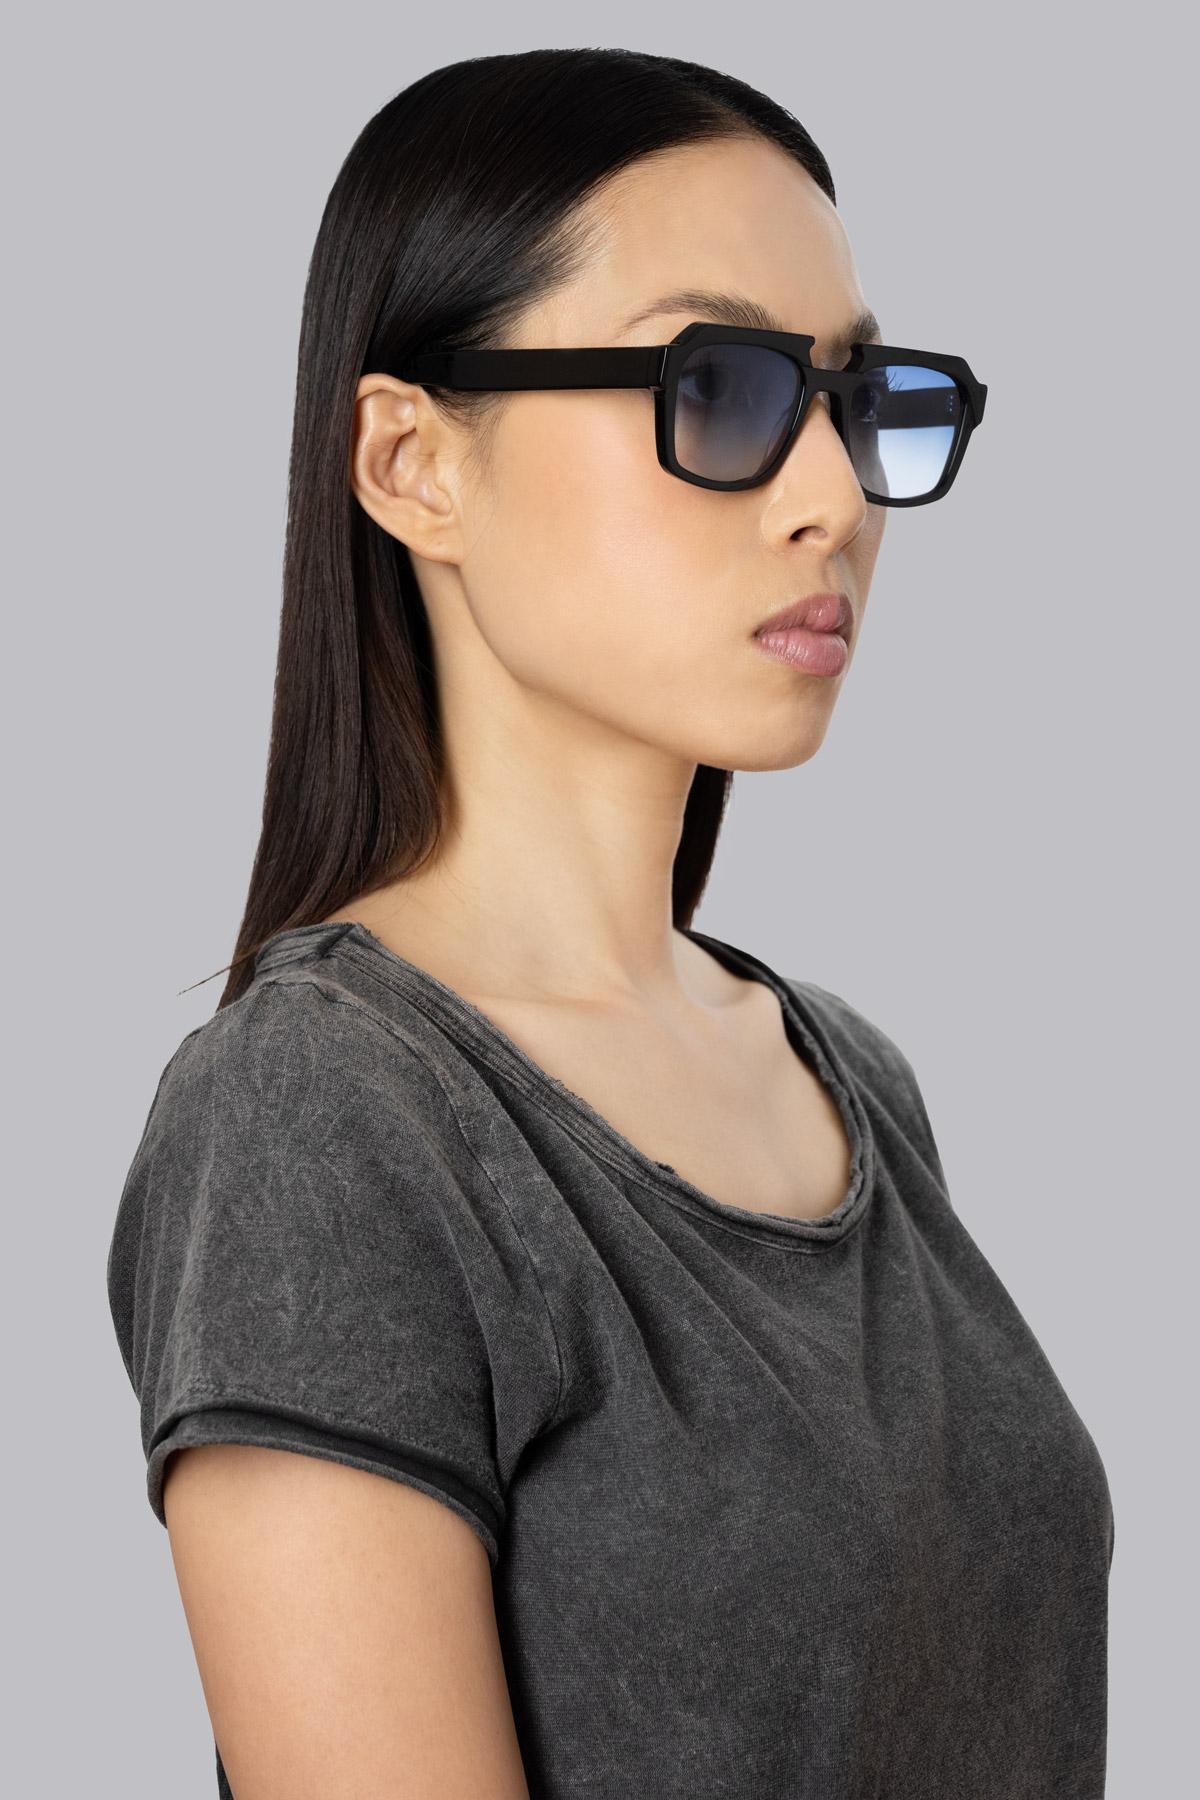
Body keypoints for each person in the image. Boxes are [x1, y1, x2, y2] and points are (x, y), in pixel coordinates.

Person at [105, 46, 1114, 1800]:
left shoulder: (851, 1079)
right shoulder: (322, 1118)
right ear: (413, 461)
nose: (836, 498)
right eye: (717, 387)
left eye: (856, 399)